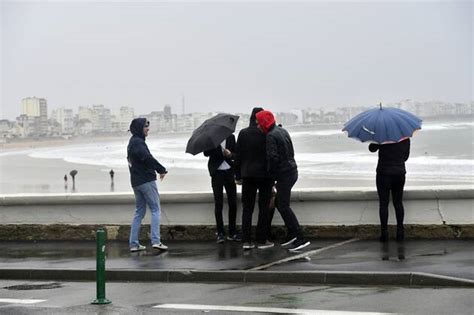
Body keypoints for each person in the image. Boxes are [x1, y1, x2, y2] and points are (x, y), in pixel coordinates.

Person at [255, 110, 310, 251]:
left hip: (284, 174)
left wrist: (271, 177)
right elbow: (290, 151)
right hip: (292, 171)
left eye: (258, 123)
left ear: (264, 123)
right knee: (280, 203)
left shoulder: (270, 136)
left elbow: (273, 159)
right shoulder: (282, 130)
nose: (257, 126)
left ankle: (300, 237)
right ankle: (292, 234)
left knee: (283, 205)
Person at [234, 107, 274, 250]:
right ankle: (262, 239)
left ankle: (246, 241)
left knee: (247, 208)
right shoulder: (267, 133)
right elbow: (271, 155)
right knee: (263, 208)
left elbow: (238, 156)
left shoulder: (243, 133)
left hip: (248, 175)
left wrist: (237, 175)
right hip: (265, 176)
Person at [127, 118, 168, 252]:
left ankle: (134, 244)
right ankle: (156, 241)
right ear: (139, 128)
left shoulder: (132, 142)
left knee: (139, 212)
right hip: (145, 181)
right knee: (155, 210)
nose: (148, 129)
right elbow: (147, 158)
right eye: (145, 126)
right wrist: (161, 169)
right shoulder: (138, 143)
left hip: (136, 182)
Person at [369, 138, 410, 242]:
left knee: (383, 203)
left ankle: (384, 233)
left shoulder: (381, 136)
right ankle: (400, 232)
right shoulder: (405, 137)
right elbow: (405, 157)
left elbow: (371, 149)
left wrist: (377, 140)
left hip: (383, 173)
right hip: (399, 173)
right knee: (398, 202)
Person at [204, 134, 240, 243]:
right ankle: (220, 233)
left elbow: (236, 154)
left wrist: (230, 154)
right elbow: (206, 153)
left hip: (229, 171)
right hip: (217, 173)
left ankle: (232, 232)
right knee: (218, 203)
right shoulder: (211, 138)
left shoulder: (231, 137)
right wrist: (214, 146)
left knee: (233, 202)